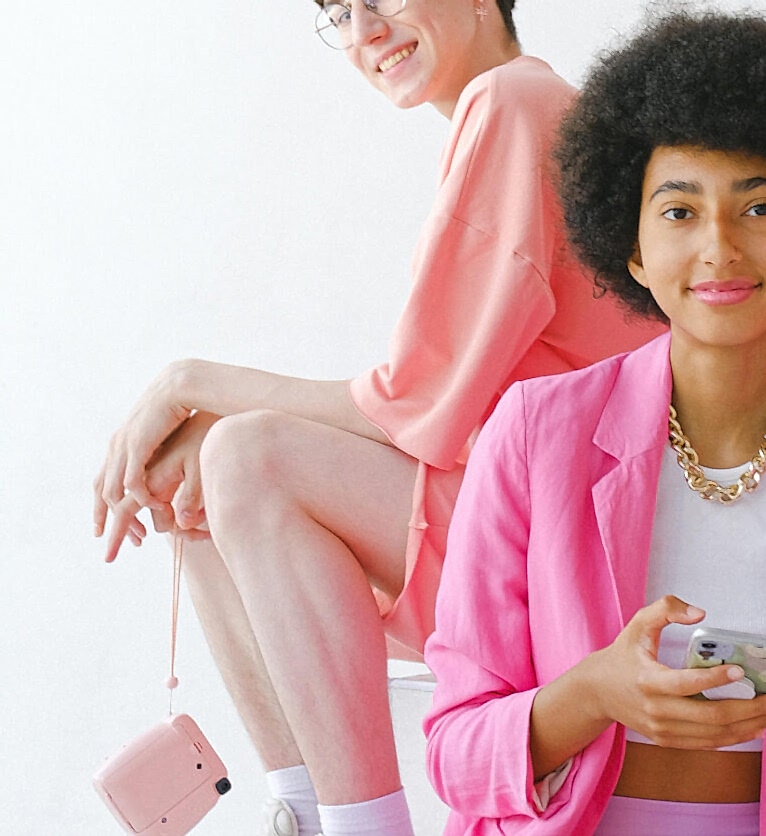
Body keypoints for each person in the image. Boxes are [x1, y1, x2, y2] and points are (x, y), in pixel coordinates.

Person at [91, 2, 662, 834]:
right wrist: (196, 417)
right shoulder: (512, 109)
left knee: (246, 454)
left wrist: (191, 382)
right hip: (536, 521)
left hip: (580, 550)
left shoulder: (512, 102)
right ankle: (299, 811)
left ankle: (364, 827)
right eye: (338, 13)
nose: (364, 30)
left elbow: (416, 406)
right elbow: (429, 406)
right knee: (204, 467)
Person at [421, 12, 766, 835]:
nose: (719, 247)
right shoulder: (533, 434)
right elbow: (455, 753)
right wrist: (594, 693)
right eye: (678, 211)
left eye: (762, 207)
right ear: (629, 247)